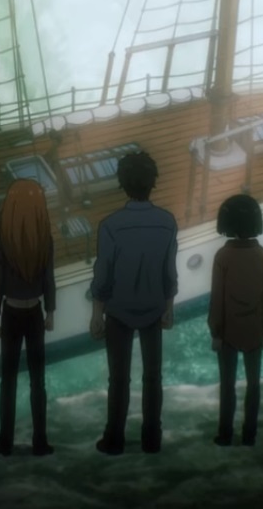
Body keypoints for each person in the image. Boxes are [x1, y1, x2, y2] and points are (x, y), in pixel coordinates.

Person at [89, 151, 178, 455]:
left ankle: (114, 439)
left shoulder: (110, 225)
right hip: (153, 308)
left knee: (118, 379)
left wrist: (96, 314)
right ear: (153, 182)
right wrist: (169, 307)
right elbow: (169, 271)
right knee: (153, 377)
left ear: (122, 183)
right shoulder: (167, 222)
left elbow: (103, 275)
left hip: (118, 311)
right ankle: (152, 438)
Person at [0, 178, 57, 457]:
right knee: (38, 381)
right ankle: (40, 442)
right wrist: (50, 312)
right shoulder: (44, 238)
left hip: (11, 313)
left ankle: (5, 441)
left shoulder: (2, 239)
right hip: (35, 313)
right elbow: (49, 278)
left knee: (8, 381)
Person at [208, 193, 263, 447]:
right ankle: (250, 435)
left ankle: (225, 434)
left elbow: (217, 298)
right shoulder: (262, 255)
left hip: (228, 332)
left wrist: (216, 332)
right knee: (253, 385)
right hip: (254, 328)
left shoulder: (222, 256)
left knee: (228, 386)